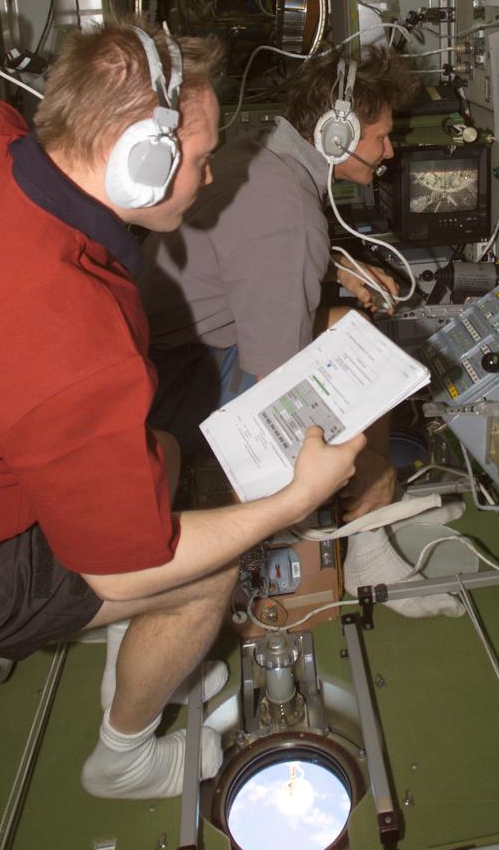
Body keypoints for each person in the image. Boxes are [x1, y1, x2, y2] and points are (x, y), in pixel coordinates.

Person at [0, 8, 365, 801]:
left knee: (159, 452)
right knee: (208, 571)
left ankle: (138, 655)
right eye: (198, 158)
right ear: (141, 161)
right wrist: (298, 497)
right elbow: (127, 569)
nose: (206, 176)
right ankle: (123, 761)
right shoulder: (68, 332)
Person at [138, 43, 419, 521]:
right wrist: (366, 462)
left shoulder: (260, 151)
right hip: (168, 384)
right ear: (337, 135)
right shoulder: (290, 218)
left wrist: (336, 266)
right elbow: (282, 386)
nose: (389, 152)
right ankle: (370, 518)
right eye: (381, 138)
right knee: (361, 353)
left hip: (150, 349)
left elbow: (247, 245)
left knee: (346, 325)